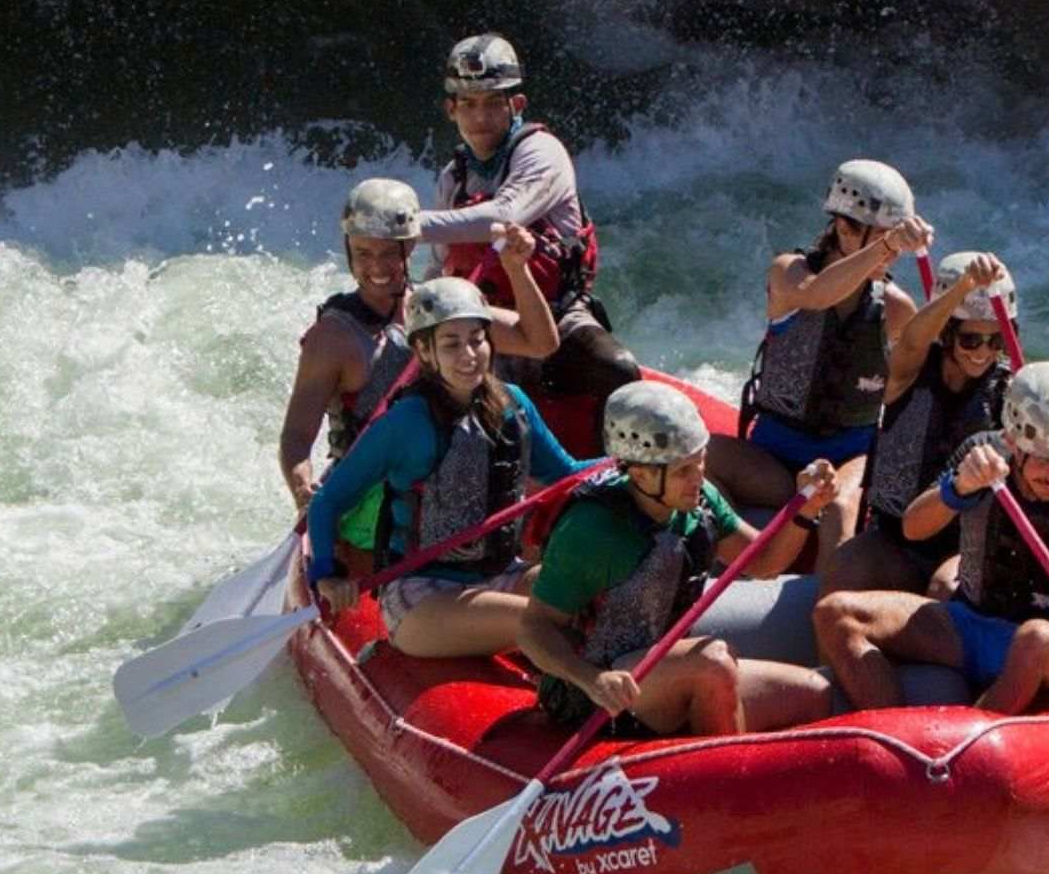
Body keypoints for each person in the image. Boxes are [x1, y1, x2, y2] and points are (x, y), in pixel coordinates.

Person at [815, 362, 1049, 715]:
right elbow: (913, 528)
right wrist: (959, 488)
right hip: (973, 621)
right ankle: (895, 731)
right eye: (1044, 459)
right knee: (836, 613)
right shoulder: (980, 455)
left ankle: (974, 734)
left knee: (1034, 638)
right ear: (1014, 442)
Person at [520, 382, 837, 737]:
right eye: (684, 470)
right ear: (641, 475)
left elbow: (763, 562)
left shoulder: (700, 501)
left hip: (661, 669)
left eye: (701, 462)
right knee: (713, 661)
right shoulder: (591, 531)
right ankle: (723, 776)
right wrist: (591, 679)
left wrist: (806, 510)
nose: (698, 478)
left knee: (815, 694)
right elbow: (534, 628)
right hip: (595, 690)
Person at [306, 277, 591, 658]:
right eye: (451, 344)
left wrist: (630, 466)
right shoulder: (406, 422)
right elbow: (327, 501)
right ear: (424, 352)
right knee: (542, 619)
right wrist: (325, 573)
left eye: (477, 339)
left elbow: (567, 476)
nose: (469, 354)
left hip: (501, 574)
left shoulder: (513, 405)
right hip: (421, 594)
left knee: (591, 598)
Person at [280, 178, 560, 548]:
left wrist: (516, 269)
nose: (376, 267)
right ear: (348, 249)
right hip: (375, 494)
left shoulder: (438, 308)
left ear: (410, 248)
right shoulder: (331, 338)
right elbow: (297, 436)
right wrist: (304, 493)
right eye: (363, 253)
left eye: (388, 254)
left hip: (457, 470)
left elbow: (540, 342)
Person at [706, 158, 933, 573]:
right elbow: (817, 296)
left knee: (842, 505)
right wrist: (884, 247)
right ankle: (720, 568)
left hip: (851, 455)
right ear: (845, 229)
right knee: (696, 458)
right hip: (774, 457)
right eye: (882, 239)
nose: (892, 253)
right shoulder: (789, 273)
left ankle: (828, 609)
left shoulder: (897, 307)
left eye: (895, 242)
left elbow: (919, 385)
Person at [422, 32, 641, 421]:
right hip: (487, 326)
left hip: (555, 315)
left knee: (618, 368)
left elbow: (501, 216)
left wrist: (410, 225)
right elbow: (439, 268)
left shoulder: (542, 153)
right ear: (450, 109)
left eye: (493, 103)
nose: (480, 118)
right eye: (468, 105)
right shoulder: (452, 178)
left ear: (516, 104)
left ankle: (618, 469)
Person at [823, 250, 1015, 599]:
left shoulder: (1010, 392)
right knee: (843, 566)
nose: (983, 352)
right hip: (895, 539)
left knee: (944, 586)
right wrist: (965, 287)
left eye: (996, 341)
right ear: (946, 332)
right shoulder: (908, 372)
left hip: (962, 550)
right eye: (970, 339)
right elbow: (912, 339)